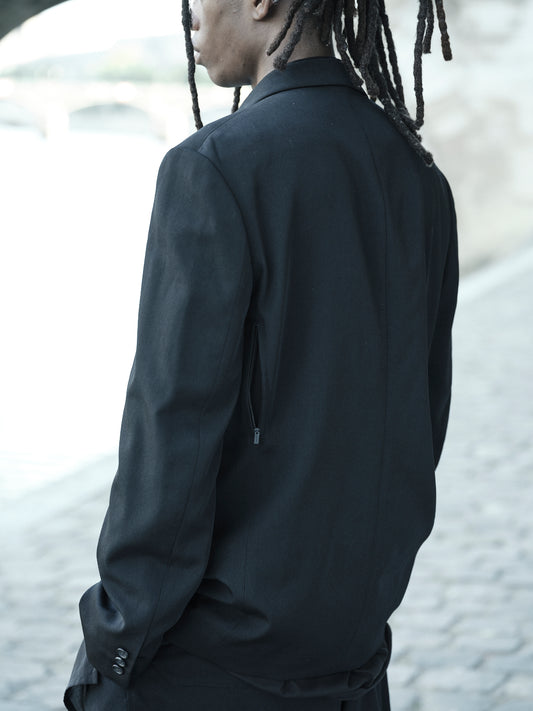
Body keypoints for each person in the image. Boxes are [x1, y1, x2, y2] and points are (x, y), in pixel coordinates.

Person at [64, 0, 458, 709]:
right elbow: (421, 426)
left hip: (207, 664)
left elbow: (172, 429)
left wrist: (115, 638)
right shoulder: (420, 180)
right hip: (351, 666)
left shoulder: (213, 167)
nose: (186, 14)